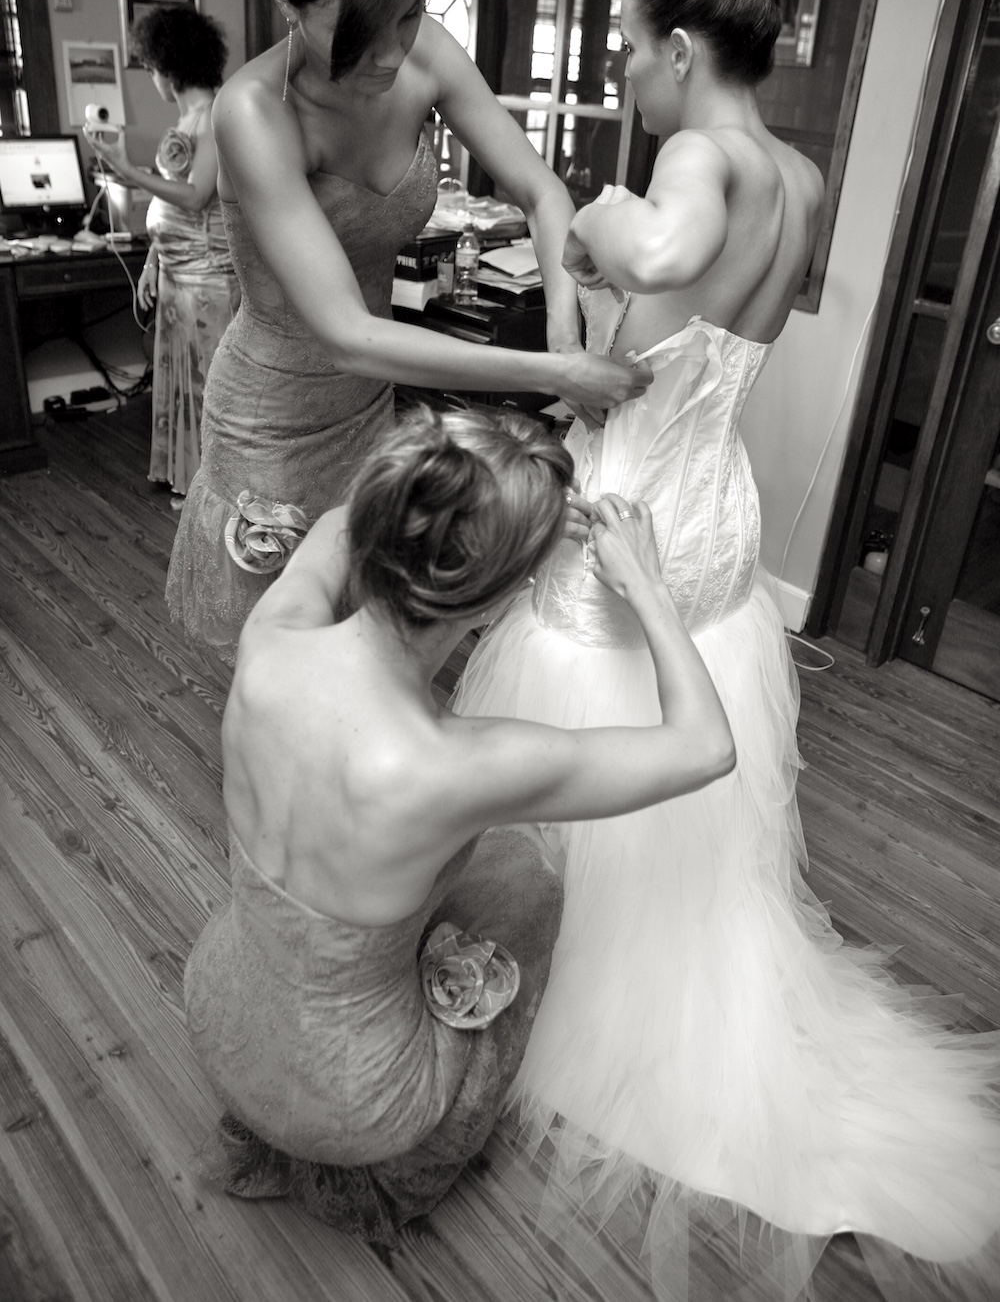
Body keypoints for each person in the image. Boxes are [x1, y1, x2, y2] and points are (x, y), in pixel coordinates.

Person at [453, 0, 1000, 1299]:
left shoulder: (695, 159)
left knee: (575, 731)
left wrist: (587, 223)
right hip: (718, 522)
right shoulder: (806, 180)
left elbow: (643, 284)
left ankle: (579, 979)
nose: (629, 77)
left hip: (627, 516)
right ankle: (680, 955)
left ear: (684, 49)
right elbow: (708, 329)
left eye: (634, 52)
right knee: (688, 735)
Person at [183, 405, 734, 1245]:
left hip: (221, 1007)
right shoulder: (460, 766)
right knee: (527, 880)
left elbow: (335, 522)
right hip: (356, 1096)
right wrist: (645, 583)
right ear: (503, 595)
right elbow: (703, 747)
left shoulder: (272, 636)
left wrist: (467, 476)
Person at [164, 0, 649, 662]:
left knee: (370, 644)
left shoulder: (426, 53)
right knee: (283, 664)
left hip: (367, 409)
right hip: (273, 423)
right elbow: (349, 334)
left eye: (409, 11)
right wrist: (554, 370)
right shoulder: (254, 113)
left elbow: (539, 189)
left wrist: (565, 321)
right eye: (360, 26)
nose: (391, 52)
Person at [85, 6, 240, 504]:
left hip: (208, 279)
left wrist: (127, 171)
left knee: (208, 388)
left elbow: (196, 197)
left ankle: (213, 490)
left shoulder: (215, 117)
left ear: (168, 66)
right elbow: (170, 204)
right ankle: (187, 477)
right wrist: (154, 261)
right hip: (177, 275)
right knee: (180, 382)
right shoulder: (187, 119)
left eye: (149, 66)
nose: (150, 76)